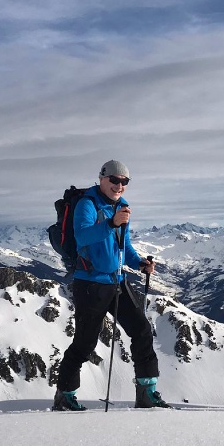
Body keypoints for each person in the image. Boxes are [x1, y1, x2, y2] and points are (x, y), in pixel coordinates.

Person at [52, 160, 171, 410]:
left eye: (124, 181)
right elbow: (82, 235)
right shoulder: (88, 204)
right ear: (102, 179)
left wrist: (139, 263)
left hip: (117, 280)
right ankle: (65, 395)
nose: (119, 185)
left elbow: (123, 246)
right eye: (114, 180)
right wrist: (111, 223)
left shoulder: (123, 207)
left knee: (141, 330)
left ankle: (147, 392)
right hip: (90, 284)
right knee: (85, 344)